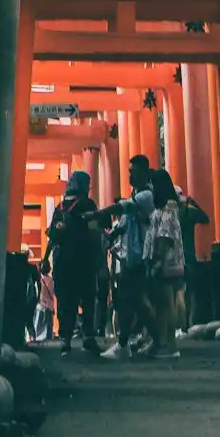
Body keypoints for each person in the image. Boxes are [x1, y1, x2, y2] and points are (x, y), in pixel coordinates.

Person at [46, 170, 105, 355]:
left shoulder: (60, 207)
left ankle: (65, 339)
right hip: (84, 259)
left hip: (62, 260)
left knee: (65, 299)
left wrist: (44, 258)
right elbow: (94, 232)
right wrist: (101, 259)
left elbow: (52, 236)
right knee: (87, 297)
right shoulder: (87, 204)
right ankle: (88, 337)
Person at [106, 152, 157, 358]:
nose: (130, 175)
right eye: (129, 171)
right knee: (134, 300)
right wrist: (114, 234)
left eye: (133, 172)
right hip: (132, 257)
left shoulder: (146, 196)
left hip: (141, 257)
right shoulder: (136, 193)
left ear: (144, 173)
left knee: (132, 300)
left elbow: (123, 208)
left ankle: (128, 342)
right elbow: (125, 222)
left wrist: (97, 214)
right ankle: (148, 340)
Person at [143, 166, 188, 355]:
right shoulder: (166, 208)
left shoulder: (168, 208)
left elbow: (164, 237)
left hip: (165, 262)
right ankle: (163, 343)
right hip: (167, 261)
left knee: (165, 304)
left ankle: (168, 344)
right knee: (163, 303)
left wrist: (157, 260)